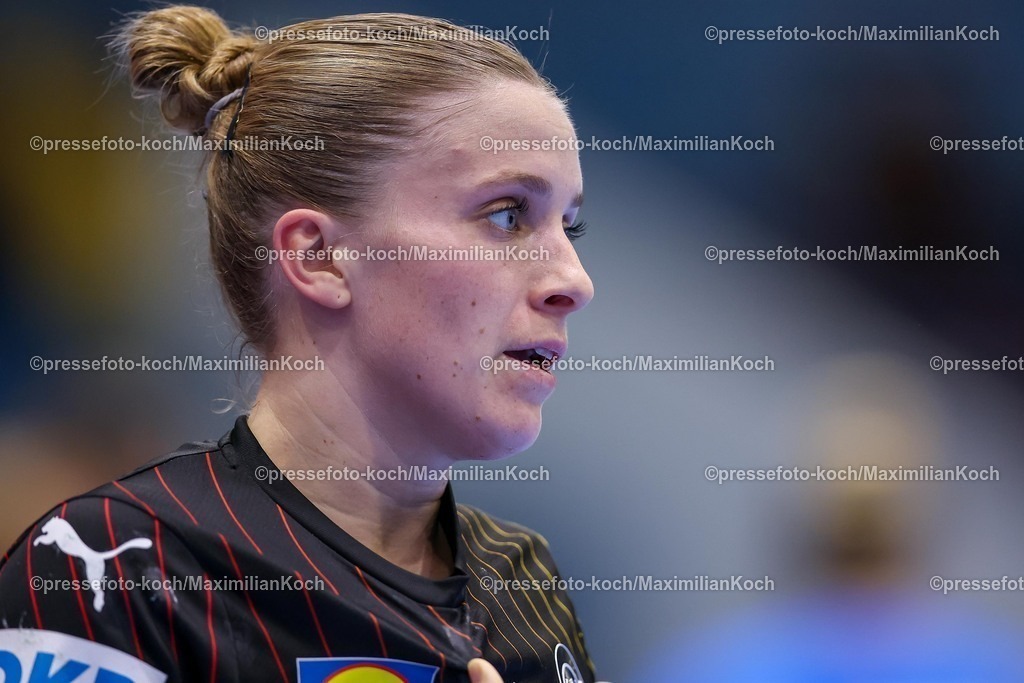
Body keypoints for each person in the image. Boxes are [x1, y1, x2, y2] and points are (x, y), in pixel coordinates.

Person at [0, 6, 596, 683]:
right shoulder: (125, 564)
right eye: (508, 213)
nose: (574, 282)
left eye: (569, 228)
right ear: (320, 258)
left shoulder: (524, 582)